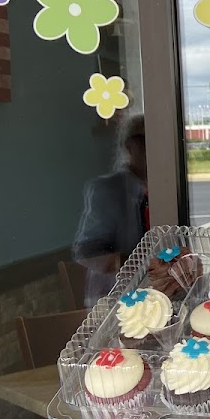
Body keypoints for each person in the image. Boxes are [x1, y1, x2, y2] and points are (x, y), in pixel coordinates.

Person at [73, 112, 148, 305]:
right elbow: (87, 251)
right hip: (115, 297)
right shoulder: (107, 189)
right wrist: (138, 263)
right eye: (144, 139)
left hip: (156, 292)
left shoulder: (166, 189)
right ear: (130, 145)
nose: (154, 147)